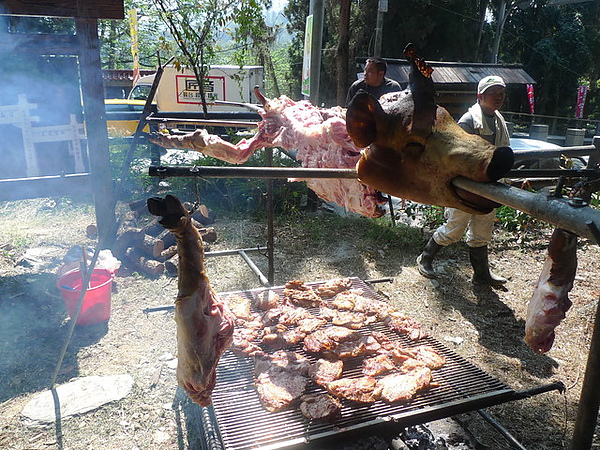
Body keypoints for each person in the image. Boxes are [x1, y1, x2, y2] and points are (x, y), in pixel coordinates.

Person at [416, 75, 510, 287]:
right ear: (480, 96)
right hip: (467, 185)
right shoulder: (468, 122)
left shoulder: (498, 120)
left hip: (490, 186)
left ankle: (481, 274)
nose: (498, 97)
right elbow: (456, 158)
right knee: (455, 228)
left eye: (501, 94)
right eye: (493, 93)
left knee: (482, 231)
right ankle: (425, 258)